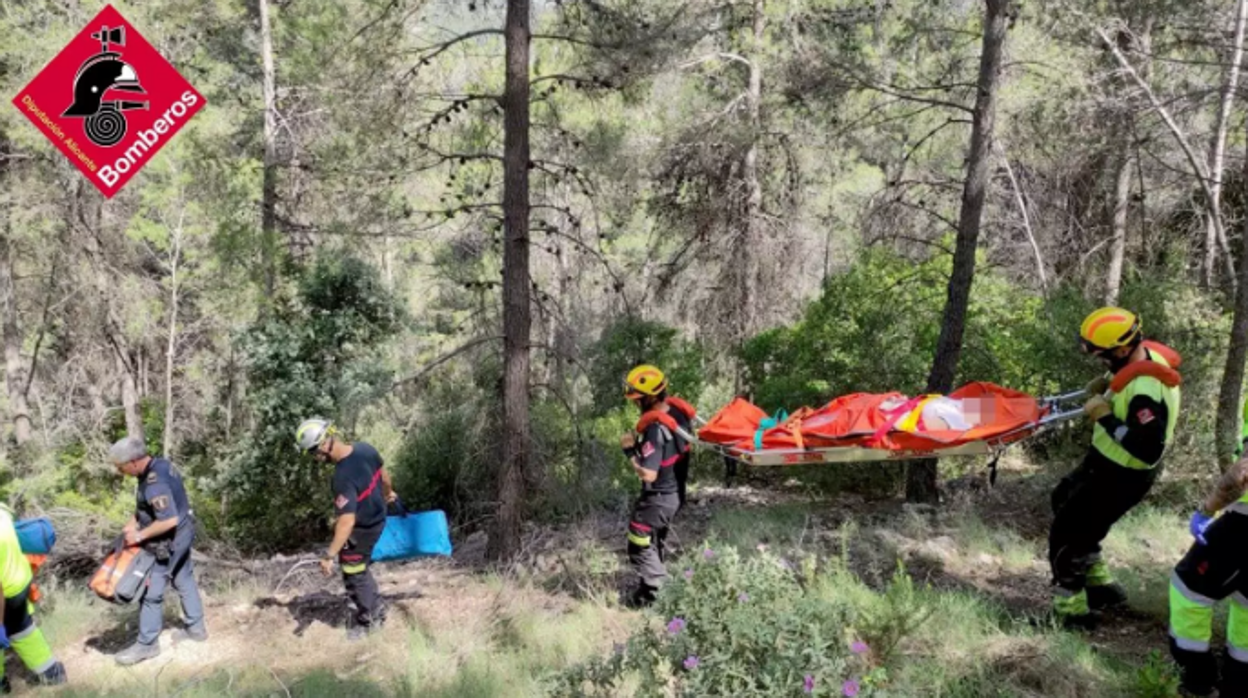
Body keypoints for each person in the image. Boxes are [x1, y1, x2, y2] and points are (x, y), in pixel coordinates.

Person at [1049, 307, 1181, 629]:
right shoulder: (1140, 355)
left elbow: (1148, 450)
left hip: (1123, 475)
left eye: (1103, 356)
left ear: (1122, 349)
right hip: (1105, 462)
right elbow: (1123, 376)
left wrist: (1105, 417)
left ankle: (1072, 616)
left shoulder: (1147, 392)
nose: (1100, 361)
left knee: (1066, 535)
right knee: (1063, 498)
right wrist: (1108, 383)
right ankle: (1100, 586)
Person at [296, 418, 396, 641]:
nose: (315, 458)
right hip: (378, 518)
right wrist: (388, 494)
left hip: (362, 528)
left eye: (313, 453)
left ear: (323, 445)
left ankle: (369, 620)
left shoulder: (342, 477)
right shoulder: (365, 449)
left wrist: (329, 555)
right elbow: (384, 476)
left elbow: (346, 521)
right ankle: (372, 604)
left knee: (353, 571)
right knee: (360, 567)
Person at [110, 436, 207, 666]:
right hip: (184, 532)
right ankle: (197, 628)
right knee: (183, 577)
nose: (119, 471)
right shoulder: (159, 465)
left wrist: (140, 535)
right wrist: (133, 522)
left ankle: (147, 645)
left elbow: (168, 519)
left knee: (151, 591)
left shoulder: (155, 482)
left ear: (133, 462)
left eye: (120, 466)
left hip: (170, 539)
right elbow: (148, 507)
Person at [1168, 454, 1248, 697]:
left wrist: (1207, 509)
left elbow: (1241, 473)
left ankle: (1198, 680)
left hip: (1243, 528)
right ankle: (1239, 683)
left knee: (1188, 590)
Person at [620, 365, 685, 606]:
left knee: (638, 543)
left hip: (658, 497)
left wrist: (629, 451)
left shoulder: (655, 430)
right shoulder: (677, 416)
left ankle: (667, 595)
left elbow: (648, 473)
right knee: (655, 543)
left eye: (638, 400)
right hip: (674, 494)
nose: (636, 405)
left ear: (649, 397)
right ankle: (646, 596)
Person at [0, 505, 65, 691]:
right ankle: (52, 673)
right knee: (22, 630)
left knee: (11, 630)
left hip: (5, 591)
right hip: (20, 579)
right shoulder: (2, 511)